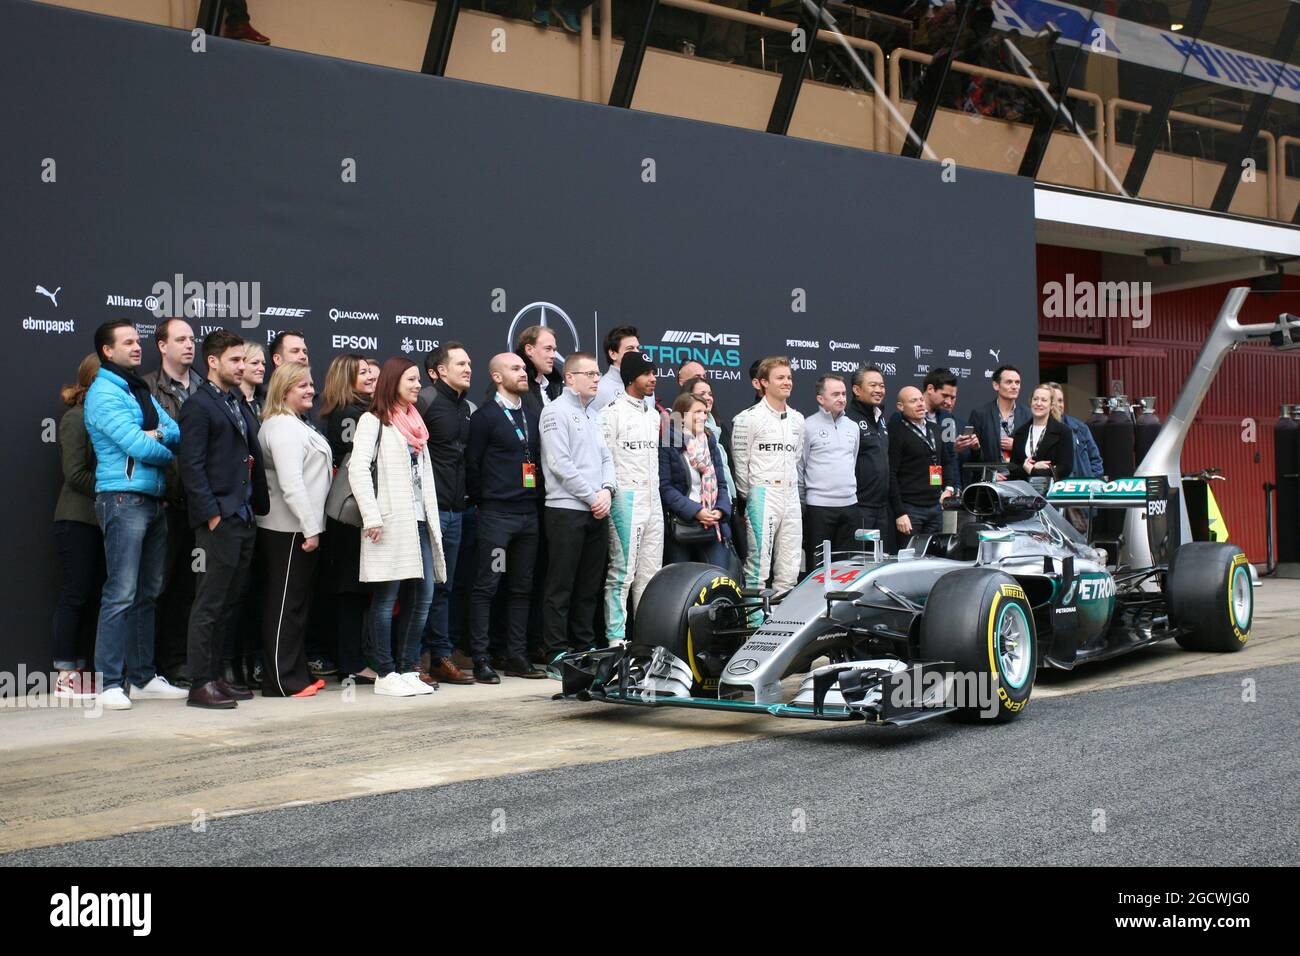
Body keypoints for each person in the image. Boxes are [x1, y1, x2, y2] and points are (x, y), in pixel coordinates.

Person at [84, 320, 187, 710]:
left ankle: (142, 677)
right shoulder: (103, 393)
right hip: (122, 500)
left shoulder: (138, 388)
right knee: (120, 593)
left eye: (137, 340)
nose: (137, 346)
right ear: (107, 351)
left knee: (149, 592)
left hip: (154, 500)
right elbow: (136, 446)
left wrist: (157, 436)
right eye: (128, 342)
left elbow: (173, 430)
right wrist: (159, 443)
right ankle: (111, 681)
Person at [179, 330, 269, 709]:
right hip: (221, 517)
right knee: (210, 603)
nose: (242, 366)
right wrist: (212, 515)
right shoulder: (199, 406)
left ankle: (217, 675)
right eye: (234, 360)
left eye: (244, 360)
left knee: (231, 602)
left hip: (244, 515)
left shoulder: (235, 402)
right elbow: (191, 465)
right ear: (212, 362)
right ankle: (200, 682)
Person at [348, 357, 448, 698]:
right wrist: (372, 516)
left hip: (419, 520)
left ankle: (407, 668)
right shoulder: (372, 421)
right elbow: (358, 470)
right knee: (386, 597)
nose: (418, 385)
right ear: (393, 382)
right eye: (411, 379)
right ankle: (384, 671)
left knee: (423, 597)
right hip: (389, 521)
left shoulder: (415, 422)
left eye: (419, 379)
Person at [465, 353, 548, 681]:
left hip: (528, 515)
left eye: (523, 368)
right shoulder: (485, 417)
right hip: (497, 517)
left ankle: (516, 655)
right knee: (488, 586)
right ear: (497, 377)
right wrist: (484, 500)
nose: (523, 372)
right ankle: (482, 657)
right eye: (515, 368)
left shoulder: (530, 413)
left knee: (522, 588)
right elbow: (472, 464)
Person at [256, 363, 332, 698]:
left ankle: (295, 673)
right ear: (284, 389)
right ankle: (281, 681)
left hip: (299, 528)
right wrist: (310, 528)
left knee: (296, 605)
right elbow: (291, 483)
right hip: (289, 530)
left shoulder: (294, 424)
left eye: (311, 384)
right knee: (285, 605)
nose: (310, 390)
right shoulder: (283, 427)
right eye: (301, 385)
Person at [539, 352, 616, 659]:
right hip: (566, 510)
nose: (597, 379)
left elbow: (607, 458)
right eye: (590, 374)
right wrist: (592, 496)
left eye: (598, 374)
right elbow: (560, 463)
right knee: (561, 585)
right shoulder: (555, 412)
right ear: (570, 378)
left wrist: (607, 490)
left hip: (597, 509)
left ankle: (584, 646)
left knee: (589, 585)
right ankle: (557, 651)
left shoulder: (594, 414)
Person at [142, 318, 202, 687]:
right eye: (180, 339)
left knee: (187, 590)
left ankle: (178, 663)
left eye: (192, 339)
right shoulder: (146, 388)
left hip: (198, 504)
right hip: (161, 501)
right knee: (154, 588)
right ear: (162, 345)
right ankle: (146, 669)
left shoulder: (204, 388)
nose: (189, 345)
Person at [418, 342, 475, 686]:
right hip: (428, 511)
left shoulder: (467, 408)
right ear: (438, 371)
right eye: (460, 363)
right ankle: (412, 661)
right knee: (422, 589)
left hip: (458, 510)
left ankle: (440, 657)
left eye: (469, 363)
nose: (468, 368)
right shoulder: (424, 402)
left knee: (445, 587)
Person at [598, 350, 664, 643]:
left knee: (651, 576)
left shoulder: (654, 416)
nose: (653, 379)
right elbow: (604, 462)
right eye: (647, 373)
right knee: (622, 574)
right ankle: (616, 640)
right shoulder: (610, 414)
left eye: (654, 373)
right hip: (626, 500)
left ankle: (646, 640)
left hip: (654, 501)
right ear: (630, 377)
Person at [319, 354, 377, 683]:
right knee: (349, 590)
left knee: (354, 590)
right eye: (363, 373)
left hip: (354, 515)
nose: (371, 377)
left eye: (371, 371)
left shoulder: (362, 411)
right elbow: (357, 458)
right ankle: (351, 663)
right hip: (349, 515)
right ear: (346, 378)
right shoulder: (348, 414)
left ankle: (352, 659)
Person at [731, 357, 805, 600]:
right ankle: (753, 627)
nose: (787, 382)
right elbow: (741, 466)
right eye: (780, 378)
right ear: (763, 382)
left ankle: (782, 624)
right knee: (758, 566)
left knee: (790, 566)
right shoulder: (747, 418)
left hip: (791, 495)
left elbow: (796, 457)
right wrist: (751, 497)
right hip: (763, 495)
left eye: (789, 377)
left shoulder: (797, 419)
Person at [52, 354, 104, 700]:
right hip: (77, 519)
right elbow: (75, 474)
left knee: (96, 596)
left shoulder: (107, 419)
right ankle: (64, 673)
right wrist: (115, 484)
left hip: (103, 520)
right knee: (75, 594)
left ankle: (84, 670)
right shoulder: (75, 418)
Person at [660, 391, 733, 566]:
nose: (702, 416)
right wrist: (696, 511)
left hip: (712, 523)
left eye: (705, 413)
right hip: (681, 523)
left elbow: (722, 484)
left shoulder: (710, 441)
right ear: (682, 416)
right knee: (679, 581)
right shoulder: (669, 440)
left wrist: (720, 510)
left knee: (719, 576)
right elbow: (665, 487)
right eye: (697, 412)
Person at [799, 374, 861, 559]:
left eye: (843, 394)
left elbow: (853, 461)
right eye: (835, 394)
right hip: (818, 508)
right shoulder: (807, 426)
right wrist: (803, 503)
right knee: (817, 566)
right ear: (820, 398)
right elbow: (800, 466)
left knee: (846, 567)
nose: (842, 398)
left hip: (850, 506)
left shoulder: (853, 427)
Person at [889, 385, 954, 539]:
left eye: (921, 399)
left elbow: (946, 461)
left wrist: (949, 488)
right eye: (913, 401)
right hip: (910, 510)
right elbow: (891, 474)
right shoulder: (895, 432)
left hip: (936, 507)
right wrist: (900, 513)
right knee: (911, 560)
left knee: (935, 558)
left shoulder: (936, 429)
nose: (920, 404)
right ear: (900, 406)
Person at [844, 365, 894, 548]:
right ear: (857, 389)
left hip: (882, 508)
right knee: (859, 561)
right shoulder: (848, 420)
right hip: (860, 507)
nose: (879, 390)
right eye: (873, 385)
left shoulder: (880, 418)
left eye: (881, 386)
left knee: (881, 562)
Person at [964, 364, 1029, 482]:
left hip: (1020, 481)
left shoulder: (1028, 415)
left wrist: (1017, 446)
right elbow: (971, 454)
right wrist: (990, 474)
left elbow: (1036, 452)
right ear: (996, 385)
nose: (1014, 386)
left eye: (1017, 382)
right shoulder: (980, 414)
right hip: (990, 483)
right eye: (1009, 382)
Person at [681, 375, 735, 501]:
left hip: (724, 502)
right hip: (693, 505)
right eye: (702, 393)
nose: (708, 397)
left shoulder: (717, 428)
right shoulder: (677, 431)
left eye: (710, 394)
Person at [1009, 384, 1074, 482]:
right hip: (1025, 492)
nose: (1038, 403)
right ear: (1031, 402)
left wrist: (1033, 470)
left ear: (1051, 405)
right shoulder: (1020, 432)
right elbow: (1013, 468)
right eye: (1035, 399)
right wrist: (1027, 468)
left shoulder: (1063, 432)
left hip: (1051, 492)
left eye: (1044, 400)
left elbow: (1065, 468)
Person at [1049, 383, 1104, 478]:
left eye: (1061, 400)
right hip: (1055, 489)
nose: (1059, 405)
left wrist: (1091, 482)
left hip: (1081, 489)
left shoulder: (1080, 428)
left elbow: (1095, 460)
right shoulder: (1038, 429)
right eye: (1054, 401)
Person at [592, 325, 642, 412]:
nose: (637, 352)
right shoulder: (599, 389)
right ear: (613, 354)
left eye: (637, 348)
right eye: (630, 348)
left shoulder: (644, 386)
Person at [516, 325, 563, 414]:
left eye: (554, 350)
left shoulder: (557, 387)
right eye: (548, 349)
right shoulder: (511, 385)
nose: (553, 356)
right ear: (529, 350)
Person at [240, 341, 268, 418]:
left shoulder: (266, 401)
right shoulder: (230, 402)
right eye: (255, 363)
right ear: (240, 365)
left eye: (263, 364)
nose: (262, 368)